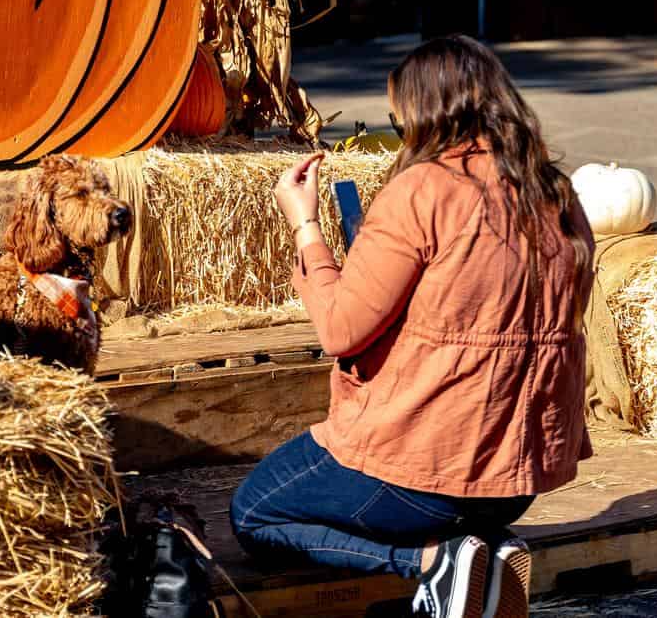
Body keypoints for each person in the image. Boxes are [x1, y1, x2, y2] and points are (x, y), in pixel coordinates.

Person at [230, 35, 594, 618]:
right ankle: (488, 553)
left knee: (257, 513)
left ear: (429, 117)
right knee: (431, 515)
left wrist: (306, 226)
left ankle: (433, 566)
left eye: (402, 125)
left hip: (423, 469)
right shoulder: (556, 193)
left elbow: (341, 331)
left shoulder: (422, 190)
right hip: (515, 482)